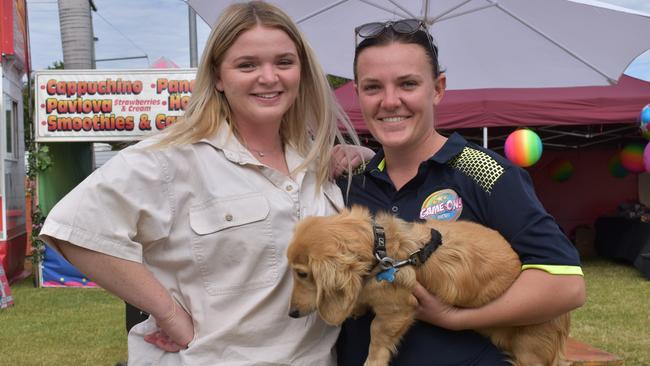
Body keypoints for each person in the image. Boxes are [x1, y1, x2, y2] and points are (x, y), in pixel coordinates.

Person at [38, 2, 363, 365]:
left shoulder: (316, 162)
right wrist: (168, 313)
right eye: (247, 64)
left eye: (284, 62)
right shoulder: (172, 158)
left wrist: (357, 156)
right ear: (218, 77)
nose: (269, 77)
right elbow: (73, 227)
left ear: (301, 72)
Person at [334, 19, 586, 365]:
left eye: (408, 84)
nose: (390, 101)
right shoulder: (349, 184)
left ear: (437, 88)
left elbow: (565, 284)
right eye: (373, 87)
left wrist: (456, 318)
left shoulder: (486, 172)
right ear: (358, 93)